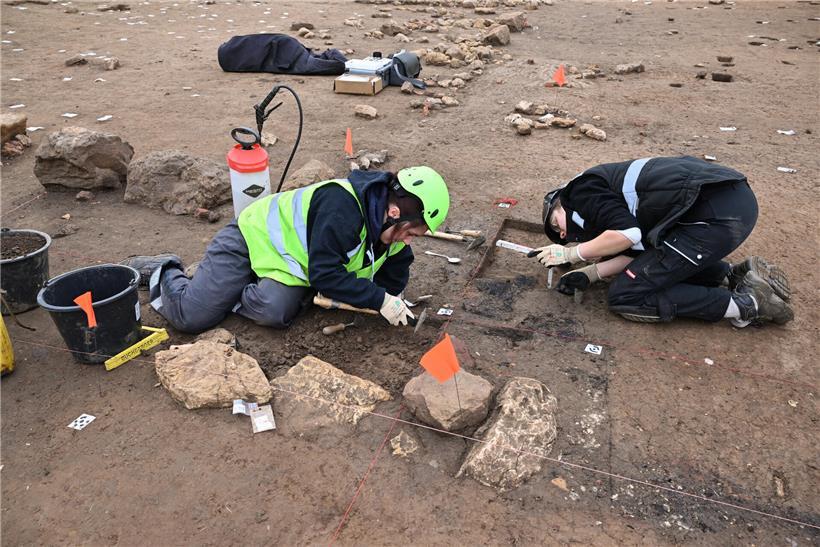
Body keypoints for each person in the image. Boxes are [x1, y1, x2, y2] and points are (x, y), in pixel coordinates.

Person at [122, 167, 450, 333]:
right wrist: (378, 299)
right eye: (411, 232)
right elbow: (326, 276)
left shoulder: (392, 234)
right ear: (395, 212)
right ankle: (166, 269)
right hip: (251, 240)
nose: (409, 242)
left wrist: (391, 298)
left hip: (287, 263)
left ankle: (220, 283)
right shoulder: (343, 209)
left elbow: (392, 277)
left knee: (275, 312)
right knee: (193, 316)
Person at [534, 156, 793, 327]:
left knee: (625, 295)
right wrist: (591, 273)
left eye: (556, 224)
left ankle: (749, 304)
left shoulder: (580, 191)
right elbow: (640, 253)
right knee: (655, 263)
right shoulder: (605, 192)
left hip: (715, 216)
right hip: (728, 200)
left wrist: (572, 254)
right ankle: (735, 275)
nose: (563, 235)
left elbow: (628, 235)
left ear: (561, 202)